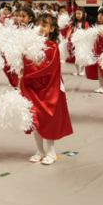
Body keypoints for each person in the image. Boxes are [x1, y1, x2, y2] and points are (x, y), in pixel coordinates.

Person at [21, 15, 73, 165]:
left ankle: (51, 152)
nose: (40, 28)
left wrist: (36, 64)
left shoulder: (53, 46)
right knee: (35, 119)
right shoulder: (29, 45)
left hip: (49, 88)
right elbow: (24, 64)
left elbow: (50, 68)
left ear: (51, 29)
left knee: (48, 119)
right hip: (32, 87)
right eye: (38, 24)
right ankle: (39, 151)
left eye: (44, 25)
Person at [67, 9, 89, 76]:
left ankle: (82, 70)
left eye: (79, 13)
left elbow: (87, 32)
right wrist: (66, 39)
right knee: (76, 57)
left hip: (83, 42)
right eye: (77, 14)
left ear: (83, 15)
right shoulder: (73, 23)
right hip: (75, 42)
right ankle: (77, 70)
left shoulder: (85, 23)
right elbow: (69, 31)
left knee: (82, 56)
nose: (78, 15)